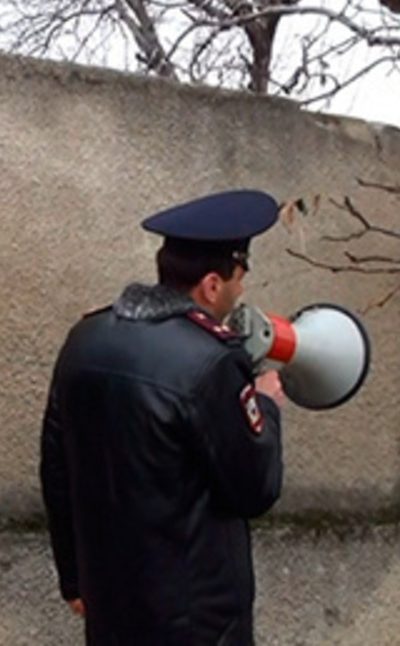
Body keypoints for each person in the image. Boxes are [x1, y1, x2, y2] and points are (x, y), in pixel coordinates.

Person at [39, 189, 286, 645]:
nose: (240, 293)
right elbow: (254, 489)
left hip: (110, 602)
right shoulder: (212, 361)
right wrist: (266, 405)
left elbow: (57, 468)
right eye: (238, 281)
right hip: (197, 620)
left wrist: (74, 578)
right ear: (211, 285)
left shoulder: (85, 337)